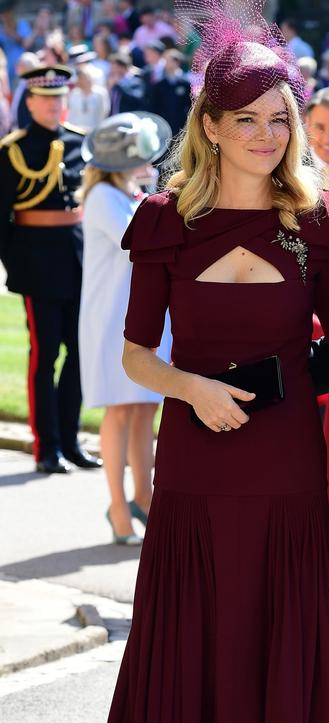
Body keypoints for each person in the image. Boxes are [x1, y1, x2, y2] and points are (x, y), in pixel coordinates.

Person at [92, 13, 329, 723]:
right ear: (208, 126)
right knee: (216, 648)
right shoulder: (166, 219)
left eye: (281, 119)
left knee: (283, 648)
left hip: (286, 469)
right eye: (247, 119)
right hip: (197, 471)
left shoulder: (320, 220)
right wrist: (193, 387)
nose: (267, 136)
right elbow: (137, 352)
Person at [0, 64, 102, 473]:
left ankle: (71, 440)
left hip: (78, 263)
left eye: (58, 98)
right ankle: (48, 447)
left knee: (79, 355)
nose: (53, 105)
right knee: (45, 357)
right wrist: (16, 268)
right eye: (45, 98)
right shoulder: (12, 150)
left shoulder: (81, 142)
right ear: (30, 101)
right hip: (37, 266)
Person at [78, 111, 172, 544]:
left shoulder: (132, 192)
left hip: (138, 315)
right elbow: (135, 240)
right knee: (119, 410)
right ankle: (117, 507)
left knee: (143, 409)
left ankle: (144, 497)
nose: (150, 163)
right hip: (110, 317)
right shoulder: (101, 196)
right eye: (139, 155)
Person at [67, 62, 109, 130]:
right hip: (77, 130)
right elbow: (71, 114)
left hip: (94, 131)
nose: (86, 80)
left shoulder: (100, 94)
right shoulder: (74, 94)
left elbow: (103, 113)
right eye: (83, 77)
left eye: (87, 77)